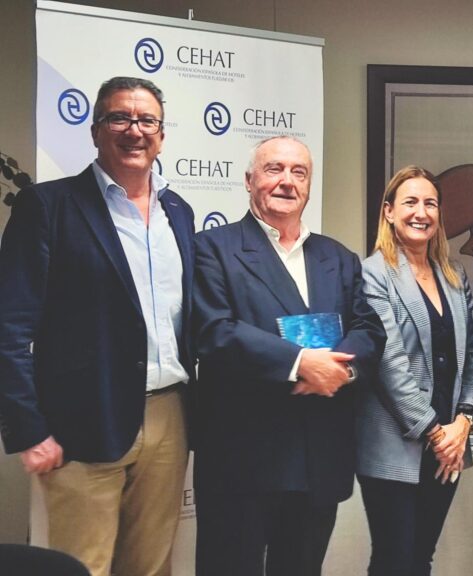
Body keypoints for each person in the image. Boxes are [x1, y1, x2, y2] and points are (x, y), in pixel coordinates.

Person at [0, 76, 194, 576]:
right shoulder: (48, 206)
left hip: (168, 415)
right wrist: (29, 429)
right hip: (81, 420)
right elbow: (9, 327)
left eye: (147, 120)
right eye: (119, 118)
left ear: (162, 135)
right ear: (95, 131)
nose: (135, 130)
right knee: (82, 567)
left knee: (152, 567)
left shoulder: (178, 212)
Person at [191, 135, 385, 576]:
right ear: (249, 180)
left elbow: (369, 329)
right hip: (242, 457)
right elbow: (214, 330)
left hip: (319, 454)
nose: (287, 181)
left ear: (309, 186)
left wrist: (340, 370)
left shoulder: (337, 257)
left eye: (299, 172)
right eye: (274, 169)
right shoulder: (212, 248)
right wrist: (301, 364)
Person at [357, 166, 473, 575]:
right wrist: (436, 434)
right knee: (393, 560)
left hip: (449, 443)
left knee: (421, 558)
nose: (421, 212)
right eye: (410, 202)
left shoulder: (454, 275)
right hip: (395, 443)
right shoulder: (373, 273)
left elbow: (470, 357)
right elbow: (389, 364)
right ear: (389, 211)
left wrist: (463, 421)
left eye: (430, 203)